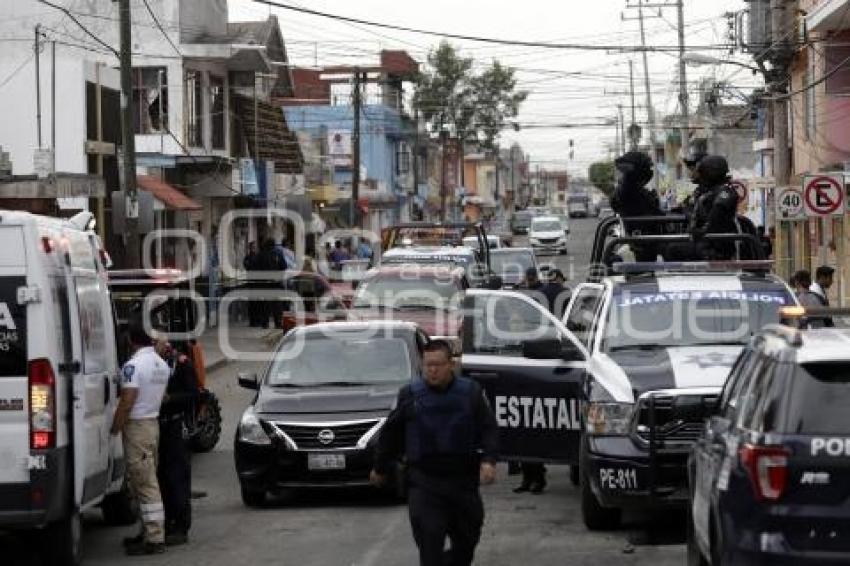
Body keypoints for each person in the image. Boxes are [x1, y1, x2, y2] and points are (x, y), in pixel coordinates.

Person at [371, 340, 498, 566]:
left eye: (438, 365)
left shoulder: (470, 393)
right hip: (425, 482)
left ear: (451, 365)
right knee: (430, 543)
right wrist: (380, 468)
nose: (432, 370)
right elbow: (390, 433)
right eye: (428, 365)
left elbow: (488, 428)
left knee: (467, 543)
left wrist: (488, 460)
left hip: (462, 481)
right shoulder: (410, 394)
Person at [113, 326, 170, 555]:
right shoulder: (161, 365)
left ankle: (155, 538)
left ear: (130, 341)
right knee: (144, 479)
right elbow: (162, 396)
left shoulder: (133, 366)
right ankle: (147, 531)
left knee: (145, 483)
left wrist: (115, 427)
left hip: (137, 427)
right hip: (152, 424)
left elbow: (127, 400)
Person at [154, 340, 199, 547]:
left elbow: (193, 394)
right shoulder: (154, 363)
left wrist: (170, 398)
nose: (157, 346)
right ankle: (166, 523)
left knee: (177, 476)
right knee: (161, 476)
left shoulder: (181, 363)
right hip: (157, 426)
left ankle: (181, 526)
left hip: (175, 424)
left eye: (159, 341)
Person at [611, 151, 663, 262]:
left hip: (648, 241)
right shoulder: (628, 189)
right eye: (648, 168)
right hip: (642, 241)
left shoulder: (638, 190)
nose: (650, 171)